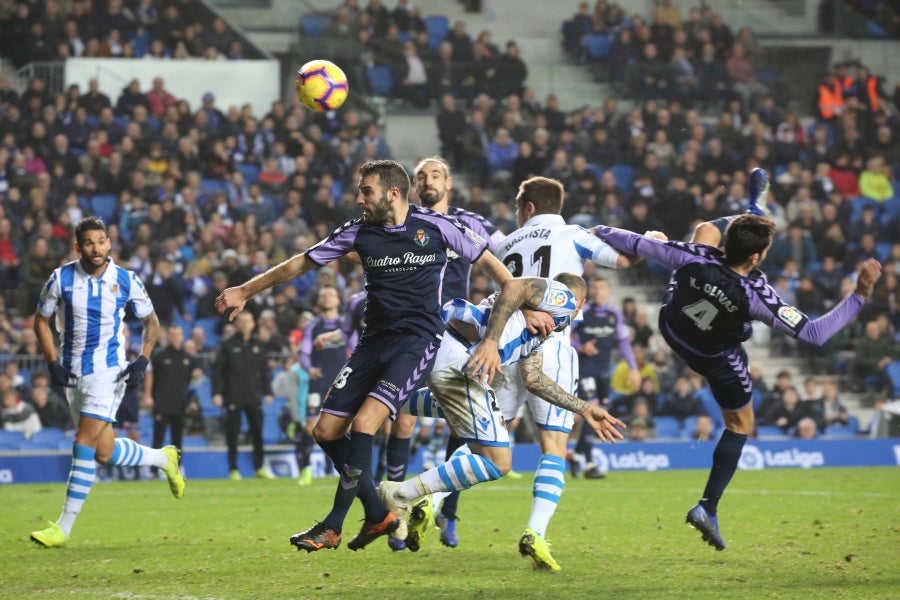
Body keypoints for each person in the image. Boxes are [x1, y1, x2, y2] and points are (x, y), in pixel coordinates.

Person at [214, 159, 518, 552]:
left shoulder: (439, 227)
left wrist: (501, 331)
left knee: (365, 422)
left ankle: (333, 524)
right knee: (324, 432)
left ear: (393, 193)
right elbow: (300, 263)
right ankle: (378, 513)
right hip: (373, 341)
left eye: (366, 191)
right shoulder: (357, 233)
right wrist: (244, 290)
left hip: (418, 339)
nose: (359, 198)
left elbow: (505, 279)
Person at [592, 214, 882, 551]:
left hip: (673, 330)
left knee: (703, 229)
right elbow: (815, 334)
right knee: (741, 422)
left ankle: (731, 220)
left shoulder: (694, 254)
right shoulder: (756, 293)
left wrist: (594, 231)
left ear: (728, 244)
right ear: (755, 257)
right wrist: (859, 294)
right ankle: (707, 507)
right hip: (714, 358)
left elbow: (630, 240)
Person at [379, 274, 625, 565]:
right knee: (506, 459)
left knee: (468, 422)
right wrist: (492, 341)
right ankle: (402, 493)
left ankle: (377, 401)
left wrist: (583, 408)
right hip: (452, 346)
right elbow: (516, 286)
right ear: (581, 302)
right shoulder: (563, 299)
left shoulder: (540, 329)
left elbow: (533, 379)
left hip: (453, 349)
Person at [488, 175, 636, 570]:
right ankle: (535, 532)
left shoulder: (505, 244)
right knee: (553, 445)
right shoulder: (573, 233)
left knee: (487, 436)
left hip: (506, 339)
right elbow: (624, 261)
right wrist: (646, 240)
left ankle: (427, 500)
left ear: (528, 207)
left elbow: (506, 294)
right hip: (552, 341)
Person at [30, 216, 184, 548]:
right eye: (88, 242)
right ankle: (163, 458)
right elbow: (41, 322)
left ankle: (63, 528)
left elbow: (152, 322)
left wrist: (143, 359)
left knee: (83, 443)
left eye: (101, 241)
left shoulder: (126, 280)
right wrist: (52, 363)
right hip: (72, 374)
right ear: (77, 246)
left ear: (109, 243)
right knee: (104, 452)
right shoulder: (60, 279)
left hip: (107, 373)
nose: (96, 248)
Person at [389, 155, 505, 550]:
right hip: (416, 327)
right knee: (401, 417)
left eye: (434, 174)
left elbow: (510, 251)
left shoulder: (471, 223)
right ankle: (394, 516)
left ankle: (447, 512)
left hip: (459, 332)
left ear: (448, 182)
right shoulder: (405, 220)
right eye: (420, 176)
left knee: (463, 426)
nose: (427, 180)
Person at [568, 276, 639, 477]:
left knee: (600, 412)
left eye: (602, 288)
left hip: (604, 372)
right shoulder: (582, 312)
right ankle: (589, 464)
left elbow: (624, 342)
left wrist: (633, 368)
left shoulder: (613, 314)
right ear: (591, 291)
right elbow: (565, 335)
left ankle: (577, 454)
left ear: (608, 291)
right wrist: (580, 347)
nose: (598, 292)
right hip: (584, 369)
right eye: (595, 288)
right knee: (595, 410)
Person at [212, 311, 275, 480]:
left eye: (248, 321)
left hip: (254, 395)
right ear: (236, 324)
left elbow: (264, 371)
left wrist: (268, 391)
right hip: (233, 395)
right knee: (233, 433)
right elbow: (218, 371)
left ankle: (259, 467)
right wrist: (217, 392)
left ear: (253, 324)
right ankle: (233, 468)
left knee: (257, 432)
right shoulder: (227, 345)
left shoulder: (259, 344)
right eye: (242, 321)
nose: (245, 324)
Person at [144, 324, 195, 454]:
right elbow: (151, 377)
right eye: (172, 335)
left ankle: (177, 469)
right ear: (168, 337)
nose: (175, 337)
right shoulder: (160, 357)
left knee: (177, 439)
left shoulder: (187, 359)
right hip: (162, 403)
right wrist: (148, 395)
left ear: (182, 336)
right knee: (158, 437)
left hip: (180, 403)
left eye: (178, 334)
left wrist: (189, 401)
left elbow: (190, 382)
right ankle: (154, 470)